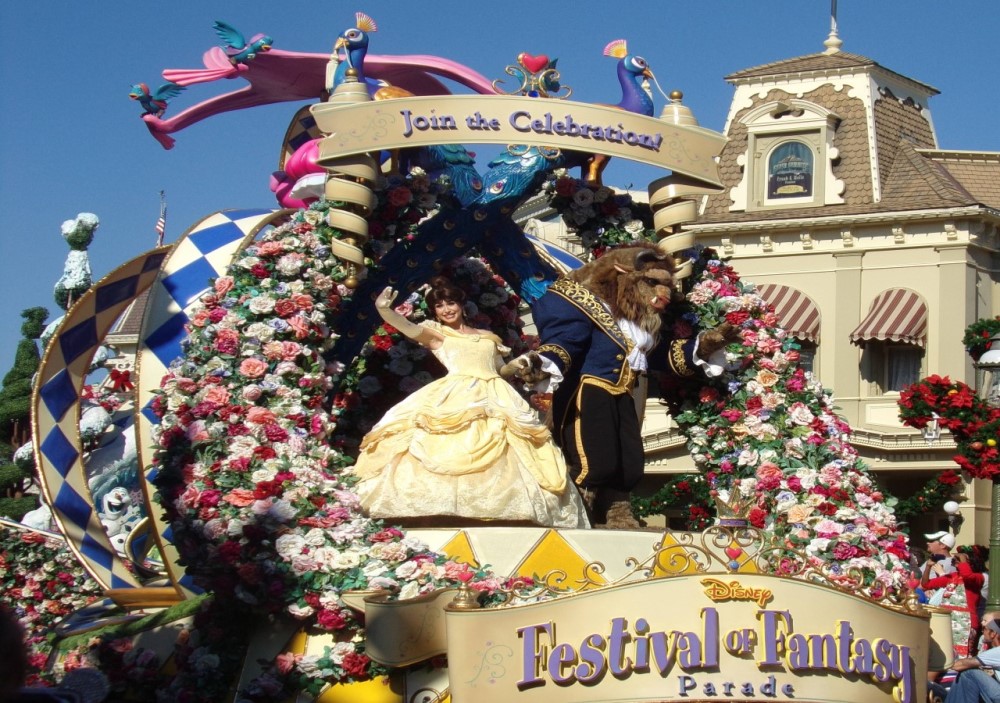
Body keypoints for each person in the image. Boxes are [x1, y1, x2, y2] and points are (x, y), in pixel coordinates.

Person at [350, 277, 590, 528]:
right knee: (447, 445)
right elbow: (408, 327)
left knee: (513, 445)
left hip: (496, 394)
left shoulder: (488, 337)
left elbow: (499, 370)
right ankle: (442, 509)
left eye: (450, 303)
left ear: (462, 305)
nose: (446, 310)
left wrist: (516, 364)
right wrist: (384, 310)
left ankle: (506, 510)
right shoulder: (438, 335)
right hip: (456, 393)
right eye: (439, 306)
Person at [525, 244, 734, 528]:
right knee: (594, 457)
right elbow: (565, 342)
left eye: (666, 285)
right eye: (652, 283)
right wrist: (539, 365)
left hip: (627, 393)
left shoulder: (642, 326)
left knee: (629, 458)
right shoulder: (588, 308)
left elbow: (663, 356)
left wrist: (706, 345)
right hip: (589, 391)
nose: (663, 293)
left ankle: (618, 512)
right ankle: (576, 510)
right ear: (623, 276)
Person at [924, 544, 988, 657]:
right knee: (943, 653)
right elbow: (926, 584)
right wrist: (928, 567)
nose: (955, 561)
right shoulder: (953, 576)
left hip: (964, 623)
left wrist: (963, 559)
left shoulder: (978, 577)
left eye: (958, 559)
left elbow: (968, 576)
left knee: (960, 656)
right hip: (946, 620)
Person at [944, 619, 1000, 702]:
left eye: (984, 629)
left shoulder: (997, 652)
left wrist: (939, 663)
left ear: (993, 633)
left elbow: (959, 665)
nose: (982, 632)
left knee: (970, 673)